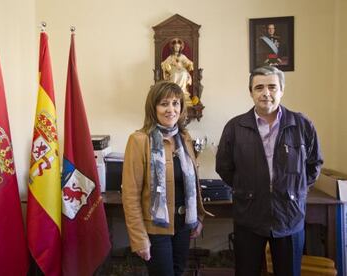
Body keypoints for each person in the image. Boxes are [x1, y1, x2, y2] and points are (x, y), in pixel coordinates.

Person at [216, 66, 323, 276]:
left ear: (282, 90)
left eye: (272, 87)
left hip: (289, 217)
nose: (266, 93)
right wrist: (247, 188)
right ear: (251, 92)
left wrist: (293, 190)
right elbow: (224, 167)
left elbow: (313, 165)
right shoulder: (234, 127)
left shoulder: (302, 125)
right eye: (259, 87)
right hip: (249, 217)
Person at [122, 81, 211, 276]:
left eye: (175, 103)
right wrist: (139, 238)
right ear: (153, 108)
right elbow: (130, 195)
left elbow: (192, 183)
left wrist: (198, 217)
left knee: (178, 273)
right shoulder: (139, 140)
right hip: (155, 230)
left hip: (183, 226)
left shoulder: (184, 138)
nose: (171, 109)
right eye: (164, 103)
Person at [161, 38, 194, 106]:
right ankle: (174, 91)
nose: (177, 48)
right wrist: (167, 65)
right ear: (173, 48)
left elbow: (188, 62)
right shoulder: (171, 57)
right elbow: (164, 63)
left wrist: (190, 64)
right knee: (175, 74)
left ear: (180, 48)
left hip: (182, 70)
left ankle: (182, 91)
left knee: (184, 73)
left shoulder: (182, 56)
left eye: (178, 47)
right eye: (175, 47)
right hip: (173, 70)